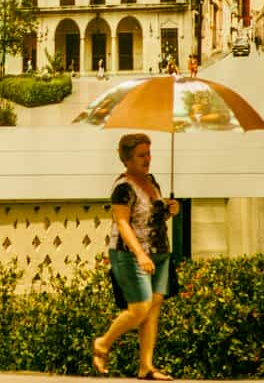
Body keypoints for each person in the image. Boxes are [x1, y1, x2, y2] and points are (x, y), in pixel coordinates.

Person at [93, 133, 179, 380]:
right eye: (142, 155)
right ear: (127, 159)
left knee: (152, 310)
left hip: (160, 251)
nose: (147, 159)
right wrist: (140, 254)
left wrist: (171, 209)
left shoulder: (152, 182)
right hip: (130, 254)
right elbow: (122, 223)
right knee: (140, 307)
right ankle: (102, 343)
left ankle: (146, 367)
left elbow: (154, 217)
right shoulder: (123, 188)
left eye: (149, 154)